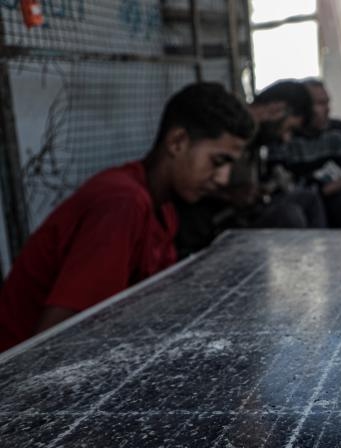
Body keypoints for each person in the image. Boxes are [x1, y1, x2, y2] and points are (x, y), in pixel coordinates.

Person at [0, 82, 254, 352]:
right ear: (177, 142)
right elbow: (58, 342)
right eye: (217, 162)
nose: (223, 178)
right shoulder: (122, 204)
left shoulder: (164, 210)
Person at [174, 80, 326, 256]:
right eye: (289, 129)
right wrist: (229, 195)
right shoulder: (227, 133)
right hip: (215, 223)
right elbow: (199, 183)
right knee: (289, 215)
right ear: (277, 109)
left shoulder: (257, 142)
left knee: (308, 198)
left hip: (238, 211)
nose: (286, 138)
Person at [264, 79, 341, 228]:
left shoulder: (337, 130)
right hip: (299, 201)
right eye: (319, 104)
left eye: (327, 103)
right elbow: (281, 183)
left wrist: (318, 185)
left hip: (333, 199)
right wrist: (321, 188)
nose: (326, 109)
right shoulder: (284, 134)